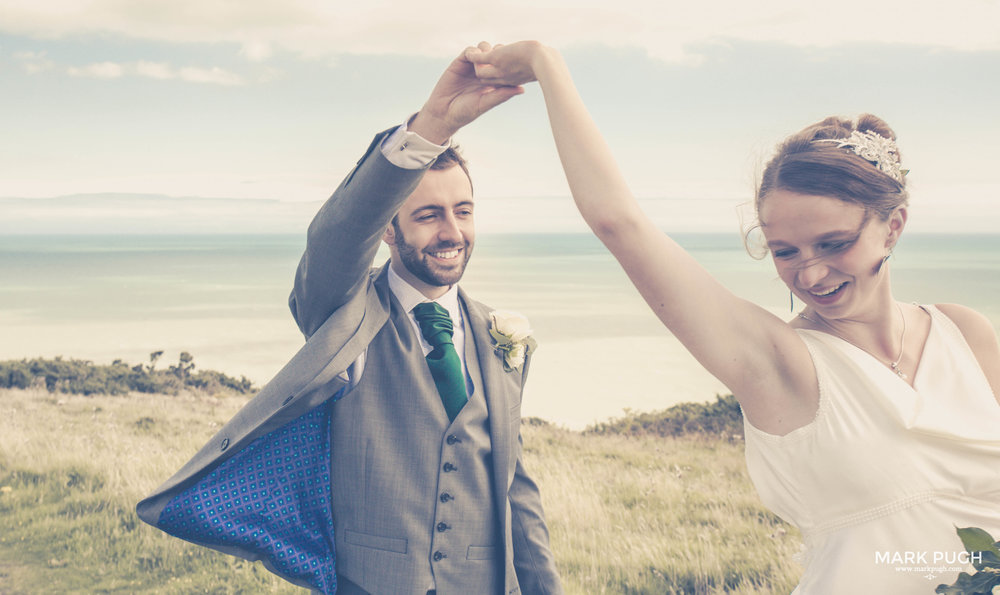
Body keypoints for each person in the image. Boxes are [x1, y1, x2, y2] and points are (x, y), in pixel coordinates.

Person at [466, 41, 1000, 593]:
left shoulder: (966, 334)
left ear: (893, 226)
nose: (811, 275)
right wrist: (546, 65)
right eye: (785, 252)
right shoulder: (782, 364)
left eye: (834, 243)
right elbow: (619, 223)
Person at [136, 49, 563, 595]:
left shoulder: (502, 339)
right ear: (388, 230)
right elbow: (336, 236)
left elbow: (514, 487)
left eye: (463, 210)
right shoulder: (347, 313)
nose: (451, 231)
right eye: (428, 214)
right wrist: (430, 128)